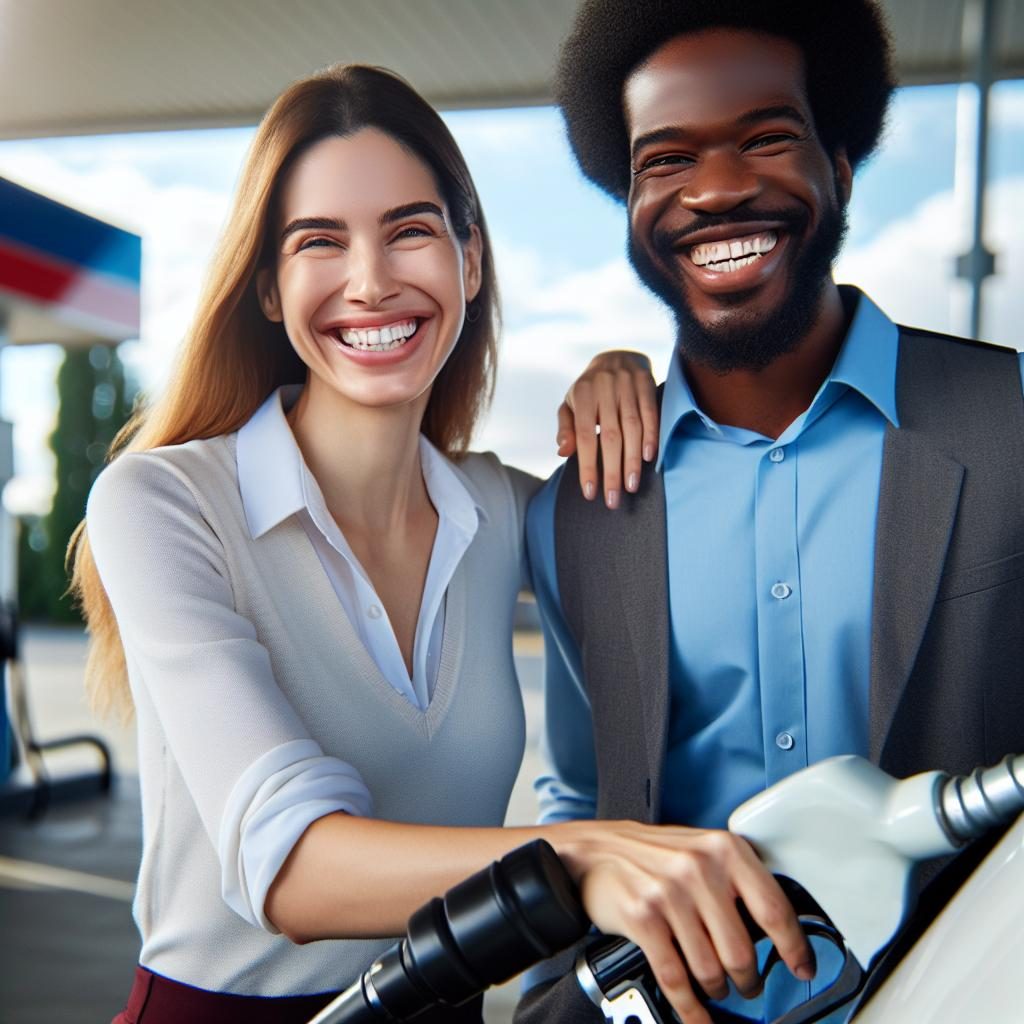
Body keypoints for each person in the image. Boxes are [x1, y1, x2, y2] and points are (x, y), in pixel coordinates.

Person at [69, 63, 811, 1024]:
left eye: (410, 231)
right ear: (266, 286)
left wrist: (632, 383)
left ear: (469, 259)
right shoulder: (163, 502)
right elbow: (287, 865)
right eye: (319, 242)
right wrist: (583, 859)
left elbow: (716, 568)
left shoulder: (506, 511)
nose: (371, 282)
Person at [522, 2, 1024, 1023]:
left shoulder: (1008, 420)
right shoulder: (579, 510)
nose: (716, 189)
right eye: (666, 161)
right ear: (627, 203)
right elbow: (585, 802)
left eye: (765, 139)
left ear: (839, 167)